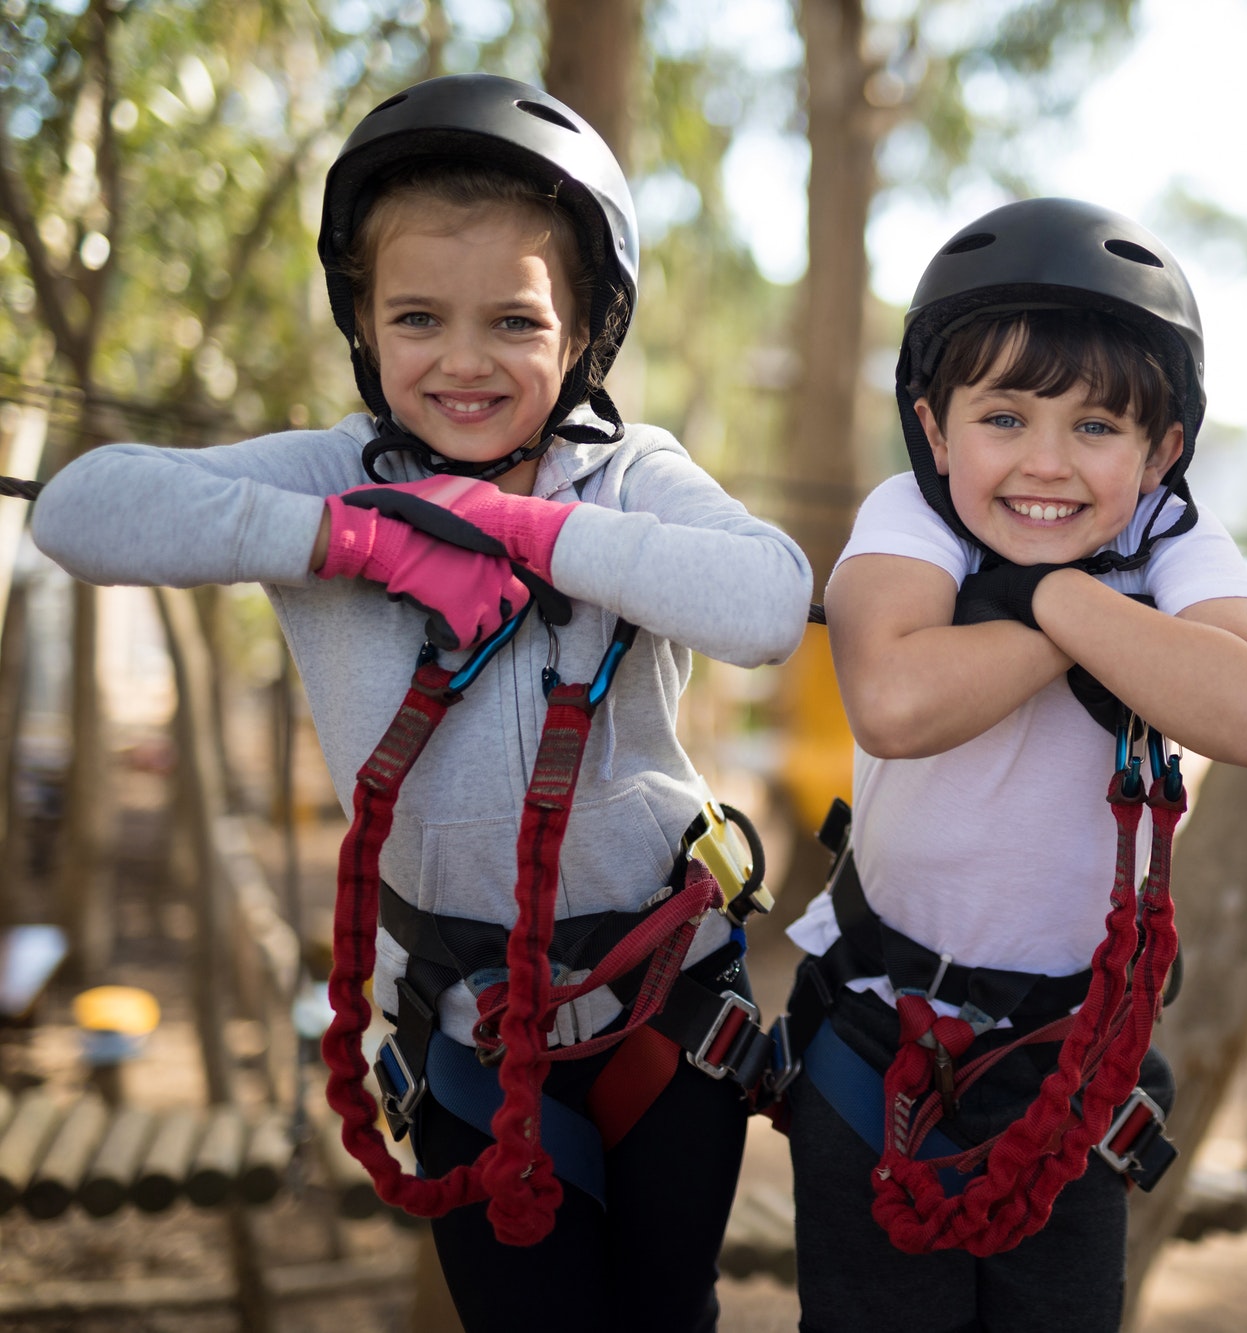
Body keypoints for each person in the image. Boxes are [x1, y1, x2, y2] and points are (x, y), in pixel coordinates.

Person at [31, 74, 811, 1332]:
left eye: (513, 320)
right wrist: (358, 537)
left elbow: (768, 602)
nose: (462, 360)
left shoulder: (626, 477)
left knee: (672, 1312)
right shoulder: (328, 474)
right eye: (416, 318)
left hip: (665, 1008)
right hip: (464, 1021)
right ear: (363, 326)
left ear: (584, 333)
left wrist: (519, 528)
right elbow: (81, 509)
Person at [780, 197, 1247, 1333]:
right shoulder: (912, 514)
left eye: (1097, 426)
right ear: (934, 430)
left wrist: (1050, 594)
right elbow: (895, 701)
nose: (1046, 465)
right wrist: (1108, 625)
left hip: (1071, 1061)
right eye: (1004, 417)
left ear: (1162, 452)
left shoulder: (1169, 535)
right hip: (878, 1032)